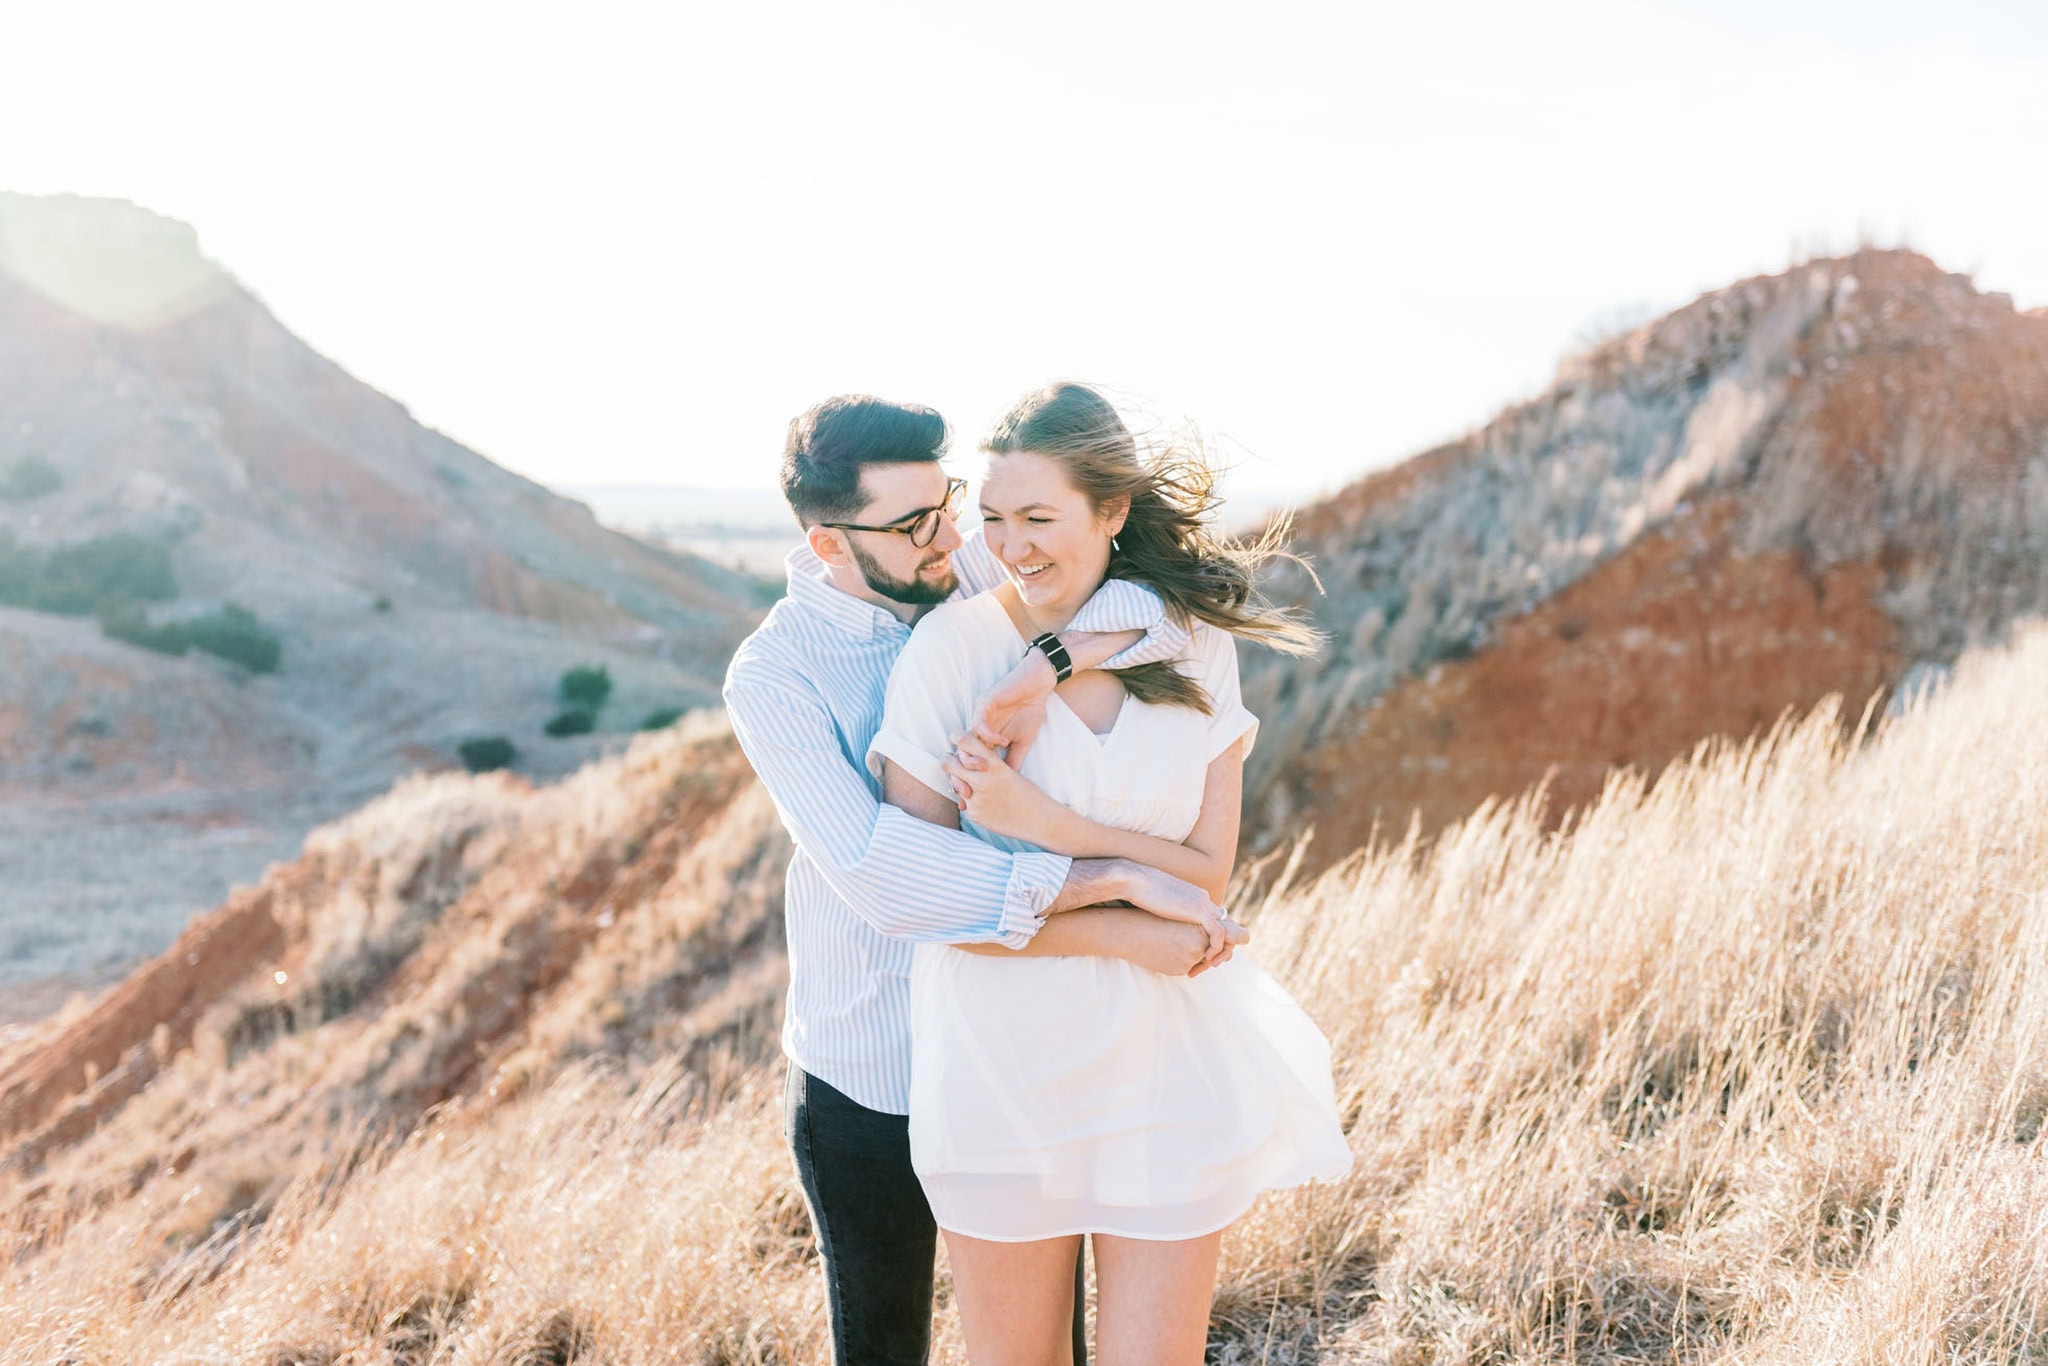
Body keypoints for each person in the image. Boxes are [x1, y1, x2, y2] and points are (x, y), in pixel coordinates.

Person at [722, 394, 1247, 1366]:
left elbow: (1145, 605)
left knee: (1050, 1342)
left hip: (1014, 1041)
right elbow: (888, 880)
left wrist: (1047, 657)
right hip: (872, 1068)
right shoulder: (773, 676)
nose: (957, 537)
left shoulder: (957, 568)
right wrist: (1111, 895)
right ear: (828, 543)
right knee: (886, 1351)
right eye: (916, 523)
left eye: (949, 501)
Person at [869, 383, 1353, 1365]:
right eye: (994, 517)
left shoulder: (1192, 642)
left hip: (1161, 1065)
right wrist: (1131, 898)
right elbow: (918, 897)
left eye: (1039, 517)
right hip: (996, 1072)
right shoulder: (947, 655)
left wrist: (1041, 823)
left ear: (1113, 510)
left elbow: (1203, 875)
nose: (1011, 545)